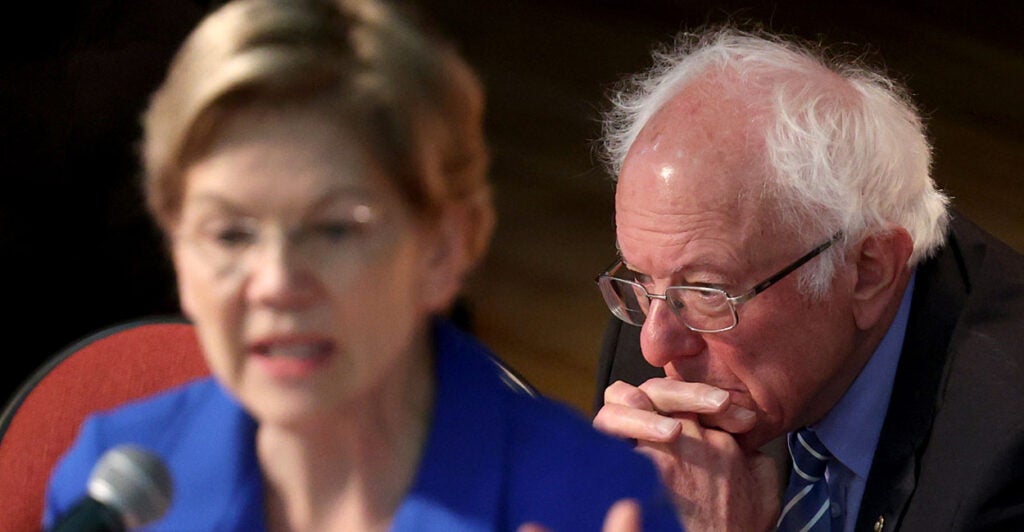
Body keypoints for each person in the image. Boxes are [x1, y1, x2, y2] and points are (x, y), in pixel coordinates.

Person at [43, 0, 681, 530]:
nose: (276, 284)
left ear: (444, 248)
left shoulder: (599, 501)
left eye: (334, 230)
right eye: (229, 234)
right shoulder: (111, 489)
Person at [590, 26, 1024, 531]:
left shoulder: (1005, 457)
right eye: (641, 277)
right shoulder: (664, 327)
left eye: (706, 292)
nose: (654, 346)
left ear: (869, 271)